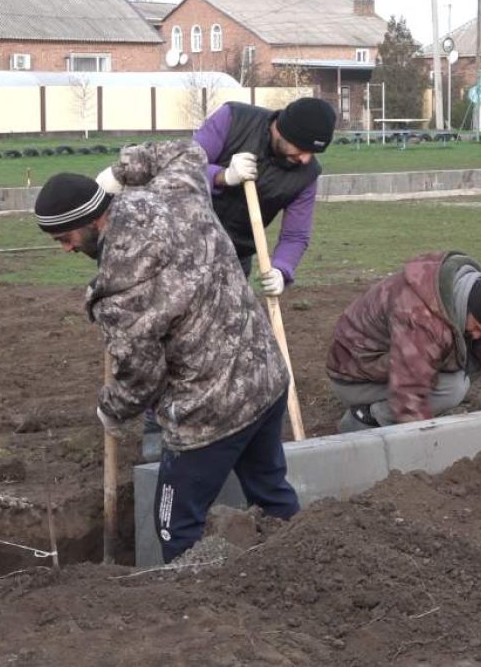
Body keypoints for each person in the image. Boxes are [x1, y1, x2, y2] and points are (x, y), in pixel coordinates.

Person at [33, 141, 299, 563]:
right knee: (272, 493)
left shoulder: (120, 284)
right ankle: (298, 565)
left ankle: (200, 611)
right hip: (264, 377)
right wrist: (121, 172)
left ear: (92, 220)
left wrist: (113, 409)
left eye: (65, 238)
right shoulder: (175, 193)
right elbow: (183, 151)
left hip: (209, 412)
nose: (65, 249)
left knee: (175, 524)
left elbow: (141, 375)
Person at [326, 251, 481, 432]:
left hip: (385, 365)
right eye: (476, 327)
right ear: (467, 310)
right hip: (355, 376)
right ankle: (365, 417)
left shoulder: (463, 295)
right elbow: (409, 387)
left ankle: (379, 411)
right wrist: (424, 440)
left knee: (464, 366)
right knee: (451, 388)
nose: (476, 334)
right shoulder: (420, 316)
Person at [192, 96, 337, 296]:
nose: (305, 159)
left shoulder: (307, 175)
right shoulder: (233, 119)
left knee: (226, 324)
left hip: (234, 258)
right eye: (302, 148)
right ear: (283, 130)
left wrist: (281, 269)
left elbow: (295, 235)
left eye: (313, 152)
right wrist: (220, 176)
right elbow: (180, 167)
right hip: (182, 244)